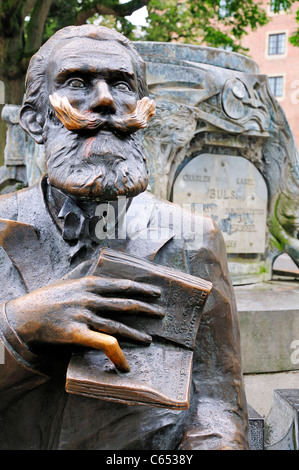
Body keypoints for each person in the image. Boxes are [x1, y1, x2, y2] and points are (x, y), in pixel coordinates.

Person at [0, 25, 249, 450]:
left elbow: (217, 406)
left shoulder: (194, 240)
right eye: (76, 83)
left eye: (121, 84)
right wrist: (19, 325)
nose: (104, 100)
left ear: (145, 111)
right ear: (35, 120)